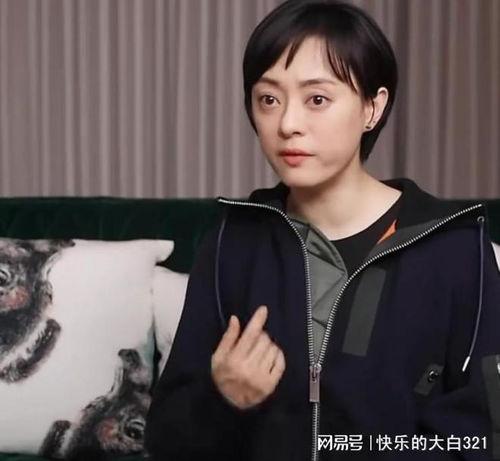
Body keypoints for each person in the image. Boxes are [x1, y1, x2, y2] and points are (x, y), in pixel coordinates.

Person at [144, 1, 500, 460]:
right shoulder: (233, 241)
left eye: (317, 99)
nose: (288, 125)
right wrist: (225, 399)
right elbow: (166, 441)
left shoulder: (456, 247)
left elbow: (484, 437)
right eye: (269, 99)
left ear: (373, 107)